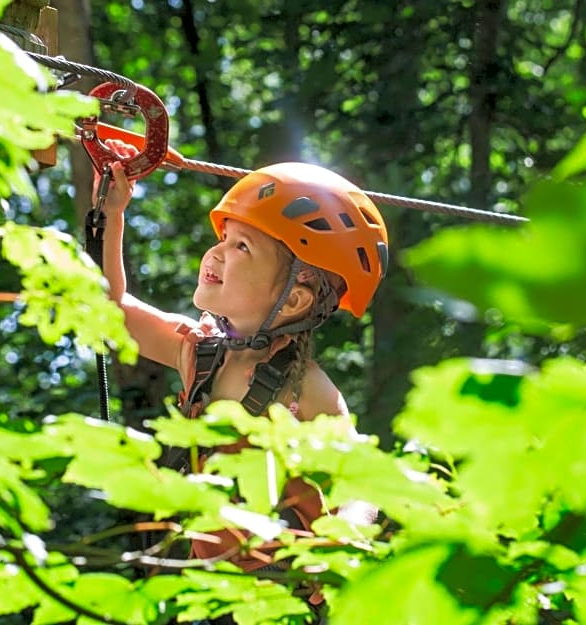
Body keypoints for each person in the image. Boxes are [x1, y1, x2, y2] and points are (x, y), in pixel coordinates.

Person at [96, 141, 389, 617]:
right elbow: (113, 313)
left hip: (282, 601)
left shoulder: (306, 392)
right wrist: (112, 215)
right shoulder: (199, 351)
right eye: (225, 237)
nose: (216, 252)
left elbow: (361, 482)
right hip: (211, 596)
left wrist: (349, 538)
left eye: (241, 247)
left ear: (293, 300)